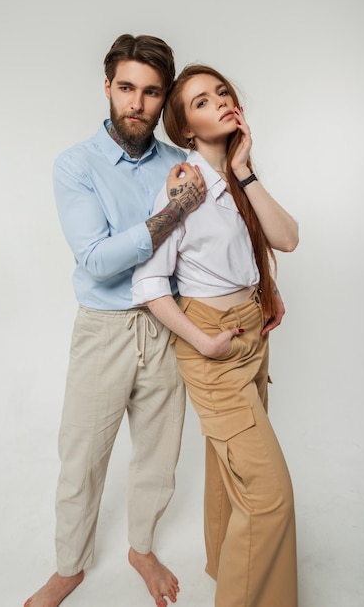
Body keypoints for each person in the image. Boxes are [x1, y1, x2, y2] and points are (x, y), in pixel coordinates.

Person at [23, 34, 210, 607]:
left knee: (160, 454)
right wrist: (176, 209)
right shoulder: (75, 165)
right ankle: (70, 565)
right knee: (82, 457)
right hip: (104, 329)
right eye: (126, 87)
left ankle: (142, 548)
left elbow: (209, 245)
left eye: (152, 92)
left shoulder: (183, 162)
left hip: (168, 324)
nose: (137, 103)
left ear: (164, 99)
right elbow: (97, 259)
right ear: (108, 88)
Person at [132, 64, 299, 607]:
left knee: (228, 463)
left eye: (223, 92)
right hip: (212, 341)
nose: (222, 102)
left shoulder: (235, 177)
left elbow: (287, 239)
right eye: (202, 101)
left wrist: (245, 168)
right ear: (185, 129)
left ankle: (222, 561)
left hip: (251, 331)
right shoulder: (183, 189)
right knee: (269, 496)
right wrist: (202, 344)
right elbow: (149, 283)